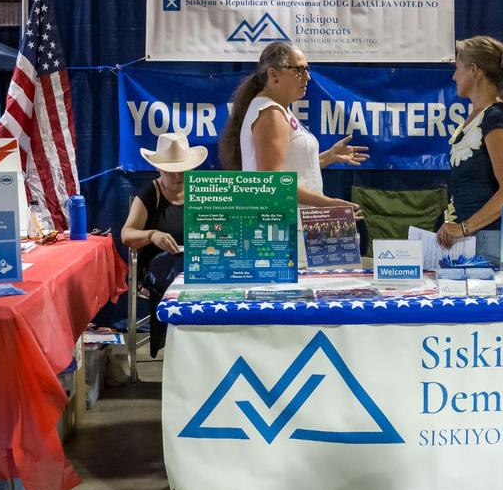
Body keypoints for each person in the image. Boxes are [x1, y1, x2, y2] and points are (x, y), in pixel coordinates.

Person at [219, 41, 367, 208]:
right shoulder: (271, 114)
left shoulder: (276, 109)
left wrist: (327, 157)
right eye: (299, 69)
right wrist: (328, 203)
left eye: (307, 69)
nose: (307, 77)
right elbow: (272, 183)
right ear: (273, 74)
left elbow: (289, 170)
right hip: (283, 224)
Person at [436, 35, 503, 255]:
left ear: (473, 70)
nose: (453, 76)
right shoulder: (477, 117)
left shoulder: (496, 117)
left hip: (489, 241)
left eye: (457, 68)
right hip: (470, 239)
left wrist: (464, 227)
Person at [121, 131, 203, 357]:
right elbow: (127, 234)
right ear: (159, 169)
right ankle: (183, 347)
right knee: (182, 280)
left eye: (182, 172)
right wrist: (152, 235)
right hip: (160, 267)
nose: (177, 177)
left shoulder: (204, 190)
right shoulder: (151, 193)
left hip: (201, 262)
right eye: (171, 171)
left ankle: (208, 345)